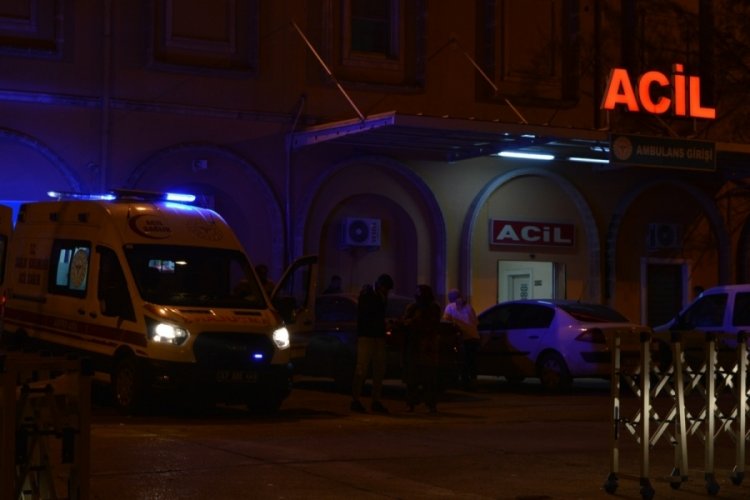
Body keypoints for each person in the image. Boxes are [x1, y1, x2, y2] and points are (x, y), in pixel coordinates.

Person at [351, 273, 394, 414]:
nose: (387, 292)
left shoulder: (377, 296)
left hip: (375, 336)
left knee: (378, 369)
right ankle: (356, 399)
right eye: (386, 289)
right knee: (362, 368)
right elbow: (369, 315)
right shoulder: (368, 295)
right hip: (368, 336)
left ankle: (374, 400)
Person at [402, 284, 442, 413]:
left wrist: (416, 322)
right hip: (415, 346)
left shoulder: (433, 308)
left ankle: (430, 404)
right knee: (412, 379)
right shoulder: (413, 307)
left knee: (429, 379)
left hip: (427, 347)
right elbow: (405, 322)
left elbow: (432, 324)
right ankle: (411, 403)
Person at [443, 288, 480, 390]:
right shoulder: (469, 307)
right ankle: (473, 381)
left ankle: (464, 383)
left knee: (462, 361)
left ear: (451, 298)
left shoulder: (450, 307)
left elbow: (446, 322)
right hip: (474, 337)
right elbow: (476, 323)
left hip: (463, 338)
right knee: (472, 361)